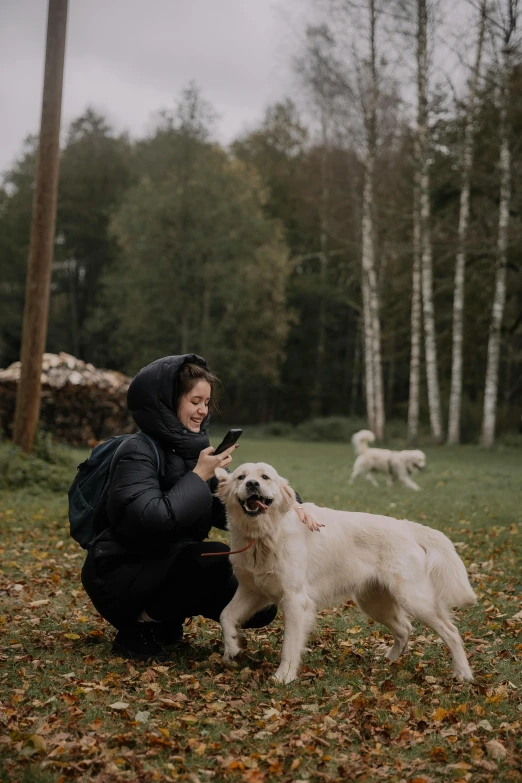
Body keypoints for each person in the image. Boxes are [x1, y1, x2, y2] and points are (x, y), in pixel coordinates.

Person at [81, 354, 316, 662]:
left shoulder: (190, 453)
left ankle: (162, 621)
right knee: (205, 557)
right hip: (117, 573)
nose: (202, 410)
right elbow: (150, 518)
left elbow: (225, 511)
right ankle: (135, 629)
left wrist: (284, 499)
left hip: (161, 566)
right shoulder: (136, 452)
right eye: (195, 401)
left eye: (206, 403)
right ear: (167, 402)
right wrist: (199, 476)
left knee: (258, 598)